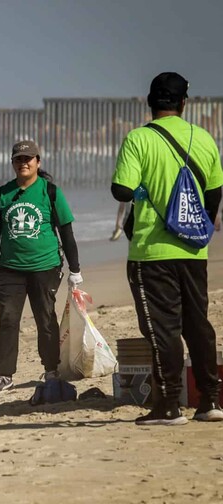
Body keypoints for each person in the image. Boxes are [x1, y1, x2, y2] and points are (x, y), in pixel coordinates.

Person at [112, 72, 223, 425]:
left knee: (163, 329)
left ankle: (170, 404)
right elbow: (216, 191)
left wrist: (145, 188)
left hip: (151, 251)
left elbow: (121, 190)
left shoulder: (139, 138)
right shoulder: (204, 138)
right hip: (194, 252)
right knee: (197, 324)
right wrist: (200, 227)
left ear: (150, 102)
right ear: (183, 103)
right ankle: (211, 400)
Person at [0, 140, 82, 395]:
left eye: (28, 158)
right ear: (12, 163)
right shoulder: (1, 194)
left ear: (38, 161)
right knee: (7, 320)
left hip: (45, 267)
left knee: (46, 319)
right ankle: (4, 376)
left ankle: (51, 370)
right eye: (18, 159)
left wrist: (75, 270)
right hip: (10, 269)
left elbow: (66, 232)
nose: (23, 163)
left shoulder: (50, 192)